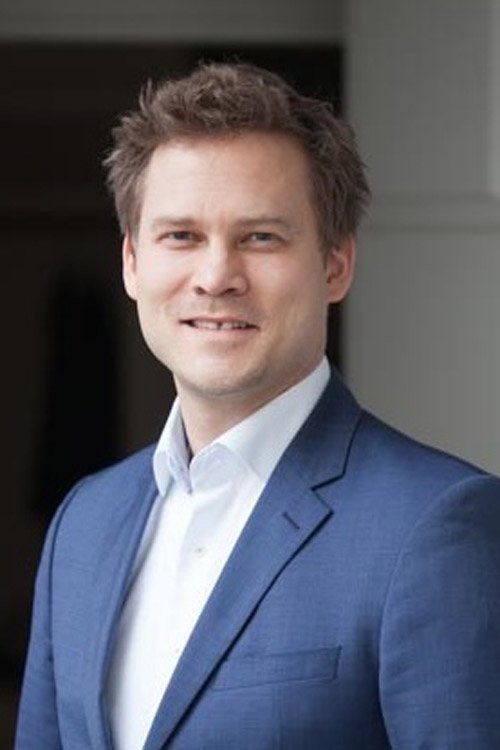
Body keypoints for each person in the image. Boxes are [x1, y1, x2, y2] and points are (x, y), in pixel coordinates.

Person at [16, 62, 500, 750]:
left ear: (335, 265)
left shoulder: (438, 525)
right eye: (181, 236)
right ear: (132, 263)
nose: (216, 276)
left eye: (261, 237)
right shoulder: (82, 524)